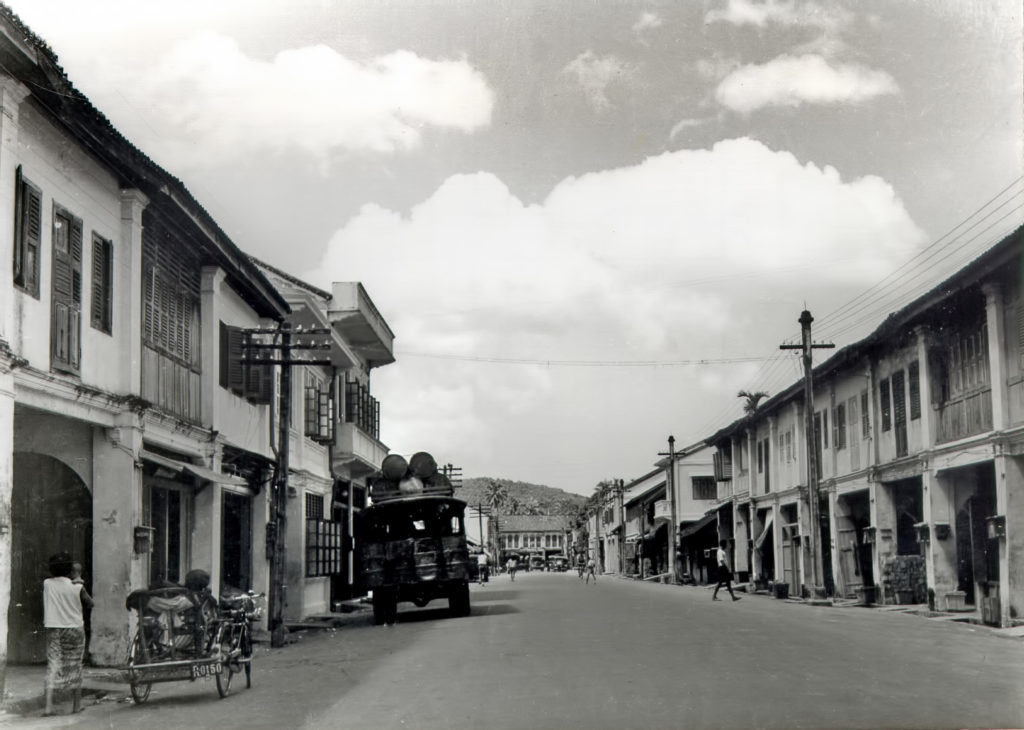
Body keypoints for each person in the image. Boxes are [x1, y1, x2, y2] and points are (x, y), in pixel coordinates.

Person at [43, 553, 93, 716]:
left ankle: (48, 707)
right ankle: (76, 706)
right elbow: (90, 603)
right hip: (74, 628)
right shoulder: (77, 587)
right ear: (70, 569)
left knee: (53, 664)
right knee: (75, 664)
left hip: (54, 628)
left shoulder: (47, 583)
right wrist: (80, 581)